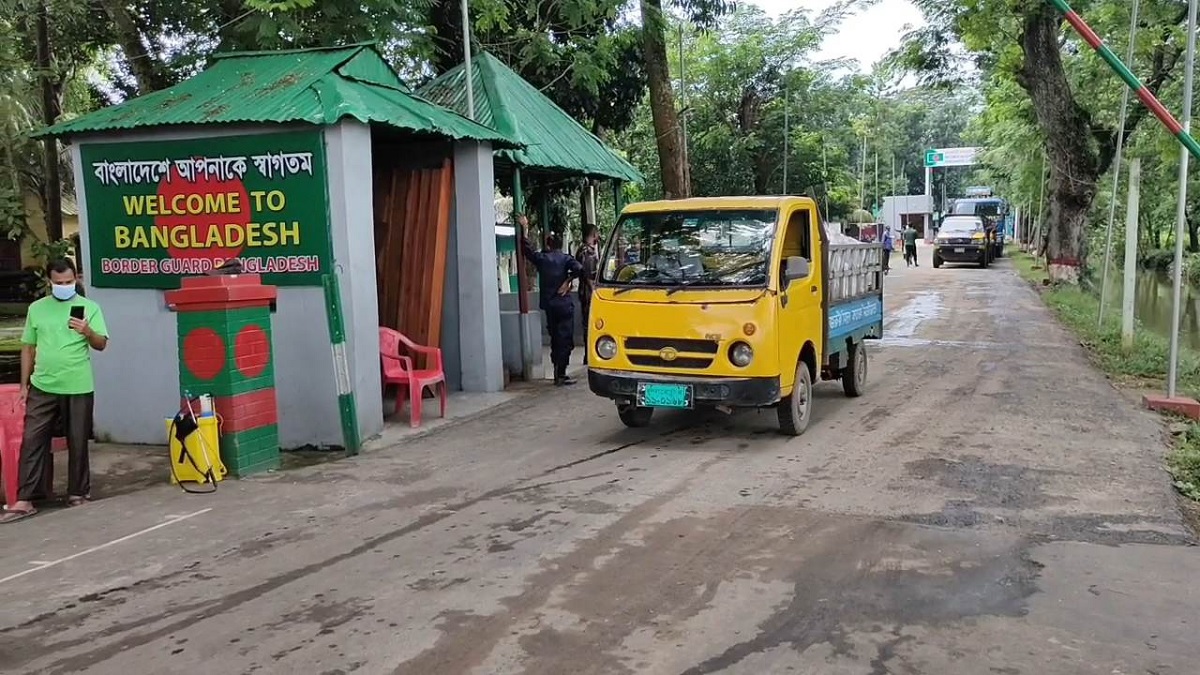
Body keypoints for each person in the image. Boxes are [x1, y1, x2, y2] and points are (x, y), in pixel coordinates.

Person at [1, 259, 109, 524]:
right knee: (32, 439)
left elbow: (101, 344)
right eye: (58, 283)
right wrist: (24, 385)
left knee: (78, 440)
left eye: (69, 282)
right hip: (43, 385)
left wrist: (87, 331)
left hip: (78, 384)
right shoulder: (37, 309)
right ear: (49, 282)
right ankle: (25, 498)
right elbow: (28, 347)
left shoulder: (90, 308)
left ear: (76, 279)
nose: (64, 287)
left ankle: (78, 493)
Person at [518, 214, 582, 386]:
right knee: (566, 340)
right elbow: (580, 269)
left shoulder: (542, 259)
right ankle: (561, 373)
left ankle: (557, 371)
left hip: (550, 306)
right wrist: (567, 281)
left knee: (555, 338)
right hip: (564, 305)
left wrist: (524, 229)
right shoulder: (565, 258)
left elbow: (527, 250)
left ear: (548, 243)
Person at [575, 225, 600, 365]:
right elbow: (590, 275)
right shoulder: (588, 252)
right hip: (588, 292)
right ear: (594, 234)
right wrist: (594, 290)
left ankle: (587, 353)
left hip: (582, 291)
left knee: (586, 323)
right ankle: (589, 353)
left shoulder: (580, 250)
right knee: (590, 323)